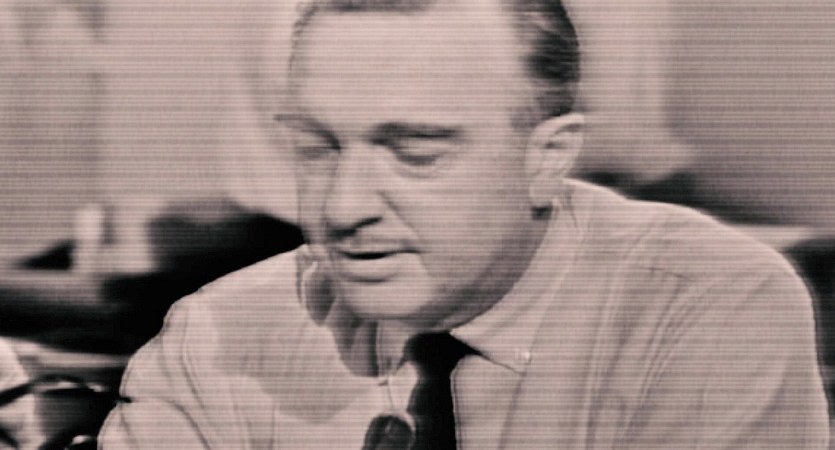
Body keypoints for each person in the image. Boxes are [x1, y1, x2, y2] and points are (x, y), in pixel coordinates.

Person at [99, 0, 829, 448]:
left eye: (416, 151)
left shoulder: (707, 309)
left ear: (547, 158)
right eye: (315, 148)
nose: (342, 208)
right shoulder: (218, 334)